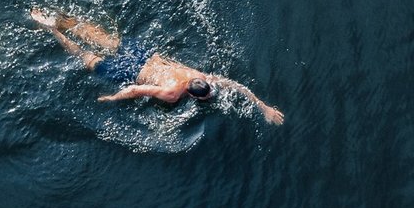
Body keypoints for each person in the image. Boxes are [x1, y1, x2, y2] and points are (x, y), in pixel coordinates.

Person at [29, 9, 286, 125]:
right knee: (86, 58)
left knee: (103, 38)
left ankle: (59, 18)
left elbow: (234, 85)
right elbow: (133, 91)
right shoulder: (172, 93)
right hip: (130, 72)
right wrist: (111, 97)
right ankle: (50, 28)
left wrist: (262, 106)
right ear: (195, 94)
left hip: (144, 55)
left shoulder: (195, 76)